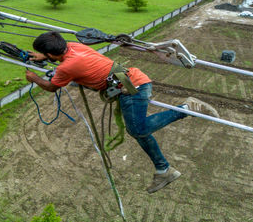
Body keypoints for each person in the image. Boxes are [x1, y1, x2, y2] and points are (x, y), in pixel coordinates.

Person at [24, 31, 218, 193]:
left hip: (132, 88)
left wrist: (34, 78)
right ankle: (163, 169)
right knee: (139, 131)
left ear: (51, 54)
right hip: (128, 81)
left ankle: (186, 109)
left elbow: (51, 87)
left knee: (137, 130)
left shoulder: (67, 67)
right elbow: (62, 59)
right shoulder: (74, 46)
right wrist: (45, 55)